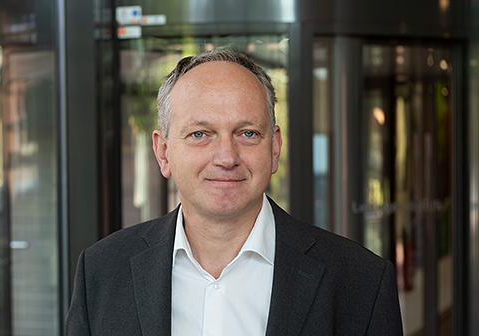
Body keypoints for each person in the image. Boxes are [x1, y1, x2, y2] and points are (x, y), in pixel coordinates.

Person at [66, 49, 403, 335]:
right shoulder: (101, 272)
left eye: (247, 133)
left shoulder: (362, 283)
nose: (227, 157)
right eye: (200, 134)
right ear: (163, 152)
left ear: (274, 148)